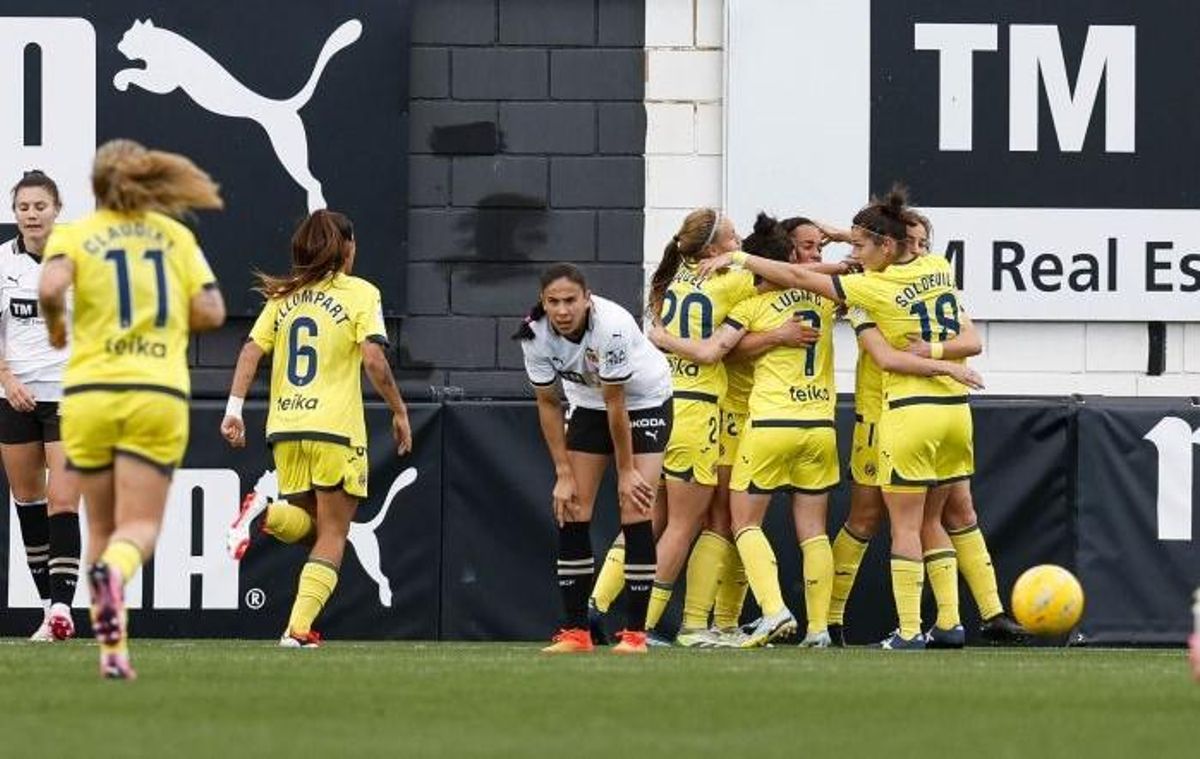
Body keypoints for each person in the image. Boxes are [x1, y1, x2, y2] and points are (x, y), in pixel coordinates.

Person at [697, 188, 983, 649]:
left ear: (884, 247)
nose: (851, 254)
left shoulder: (858, 289)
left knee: (744, 523)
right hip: (907, 416)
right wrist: (946, 361)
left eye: (859, 246)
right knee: (925, 521)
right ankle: (829, 628)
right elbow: (971, 338)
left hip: (848, 416)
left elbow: (722, 348)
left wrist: (740, 262)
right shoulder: (937, 267)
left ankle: (775, 615)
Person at [39, 140, 227, 678]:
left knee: (99, 528)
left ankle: (112, 653)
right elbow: (212, 310)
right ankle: (114, 577)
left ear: (95, 187)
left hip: (90, 393)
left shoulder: (76, 233)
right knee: (138, 526)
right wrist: (160, 316)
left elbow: (51, 284)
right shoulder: (175, 236)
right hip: (155, 391)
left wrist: (56, 326)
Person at [826, 214, 1026, 646]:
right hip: (879, 414)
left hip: (914, 411)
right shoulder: (869, 289)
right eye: (911, 241)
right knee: (866, 516)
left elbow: (969, 341)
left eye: (923, 242)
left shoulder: (926, 280)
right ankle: (830, 620)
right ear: (890, 246)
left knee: (947, 513)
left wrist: (934, 353)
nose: (918, 249)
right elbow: (889, 354)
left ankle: (966, 618)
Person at [221, 209, 411, 648]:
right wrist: (399, 411)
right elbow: (374, 360)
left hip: (285, 427)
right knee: (333, 533)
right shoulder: (361, 293)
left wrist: (234, 410)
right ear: (346, 247)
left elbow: (251, 351)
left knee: (310, 525)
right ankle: (297, 629)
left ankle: (263, 515)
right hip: (335, 429)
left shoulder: (284, 297)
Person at [516, 263, 671, 654]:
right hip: (588, 404)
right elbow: (548, 403)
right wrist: (563, 472)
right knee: (571, 508)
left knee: (635, 506)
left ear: (588, 300)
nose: (563, 310)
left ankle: (635, 635)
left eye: (571, 300)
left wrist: (626, 472)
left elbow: (616, 403)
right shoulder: (533, 333)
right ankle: (576, 632)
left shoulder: (612, 326)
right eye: (554, 302)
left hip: (643, 401)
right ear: (542, 303)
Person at [2, 170, 81, 641]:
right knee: (28, 501)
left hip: (69, 395)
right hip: (14, 398)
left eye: (40, 206)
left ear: (57, 209)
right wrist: (7, 378)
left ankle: (62, 607)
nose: (32, 215)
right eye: (24, 207)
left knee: (63, 500)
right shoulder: (3, 262)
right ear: (15, 214)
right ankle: (47, 611)